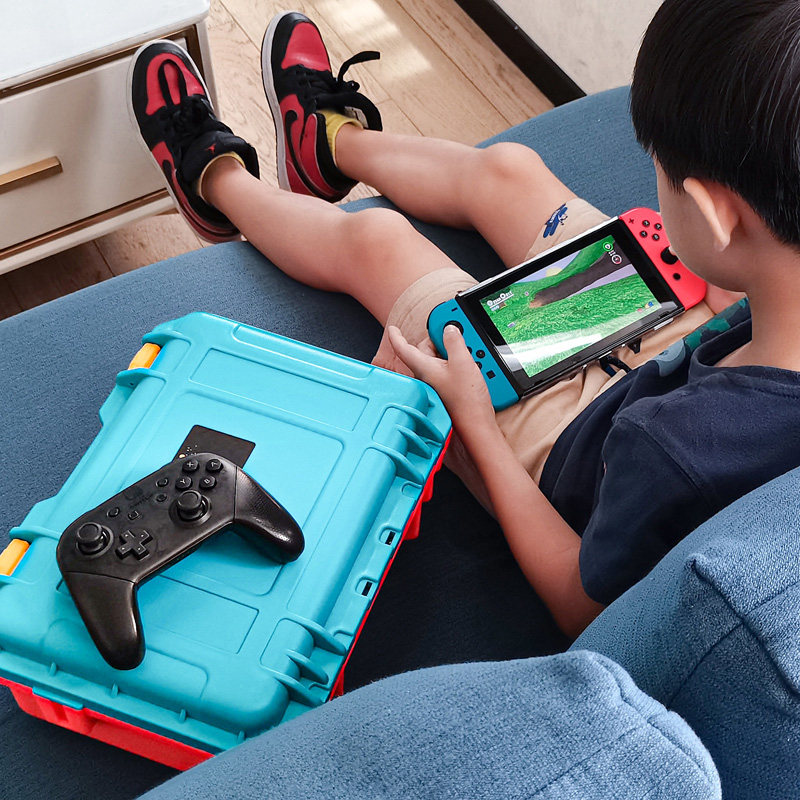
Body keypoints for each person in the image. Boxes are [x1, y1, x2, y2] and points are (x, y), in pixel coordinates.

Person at [129, 0, 800, 640]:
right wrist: (737, 292)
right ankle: (329, 146)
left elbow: (580, 603)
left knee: (379, 242)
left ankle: (216, 182)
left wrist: (471, 427)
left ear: (716, 216)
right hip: (714, 323)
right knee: (510, 171)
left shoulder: (673, 457)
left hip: (574, 444)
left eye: (660, 167)